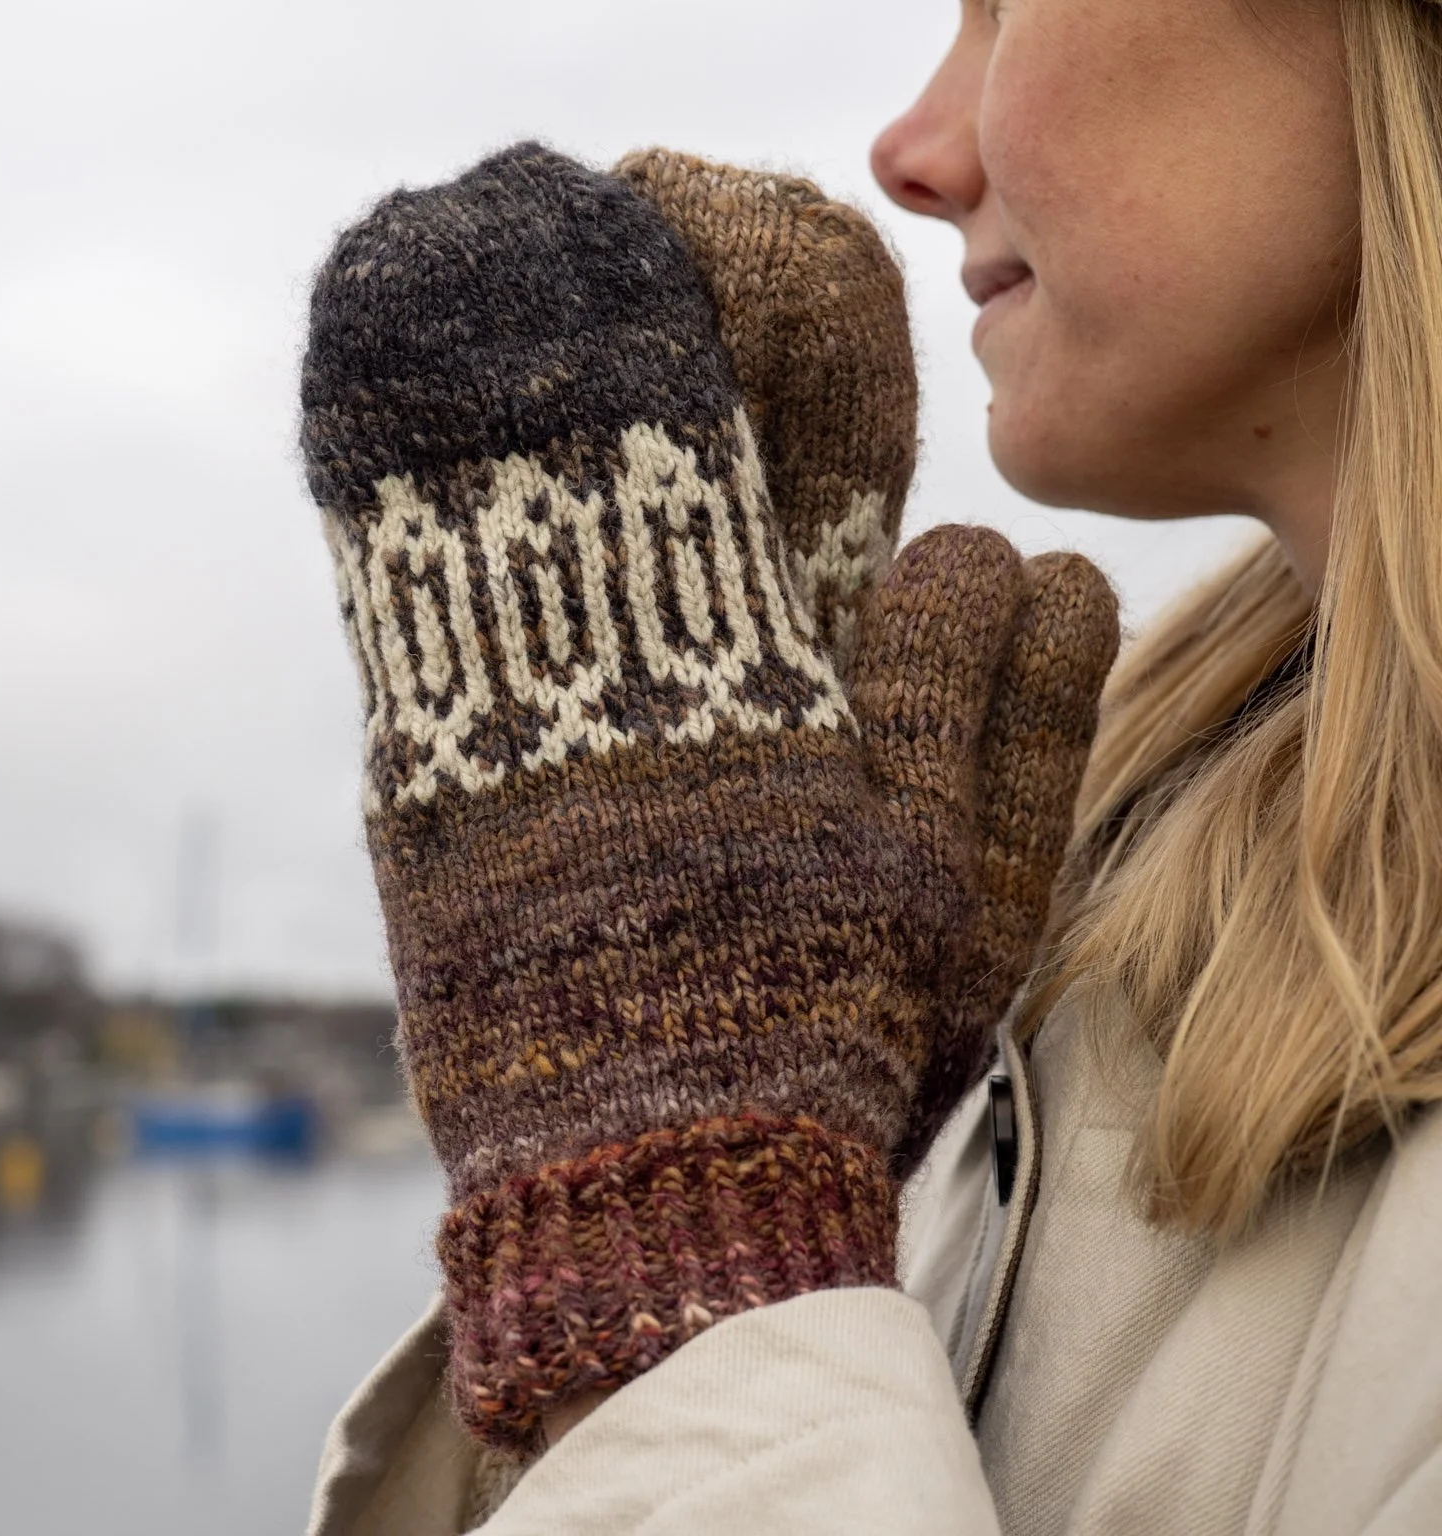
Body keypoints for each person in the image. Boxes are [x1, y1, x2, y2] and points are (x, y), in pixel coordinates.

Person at [300, 0, 1442, 1531]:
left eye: (1003, 8)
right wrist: (845, 1200)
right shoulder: (1139, 879)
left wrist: (670, 1266)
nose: (910, 152)